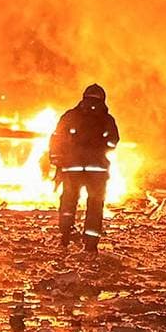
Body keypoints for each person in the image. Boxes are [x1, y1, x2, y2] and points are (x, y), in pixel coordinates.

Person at [49, 84, 119, 252]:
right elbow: (113, 142)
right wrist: (100, 147)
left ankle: (65, 234)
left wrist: (57, 160)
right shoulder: (107, 119)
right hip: (97, 170)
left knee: (69, 201)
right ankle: (90, 243)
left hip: (72, 168)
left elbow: (56, 139)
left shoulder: (70, 116)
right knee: (95, 204)